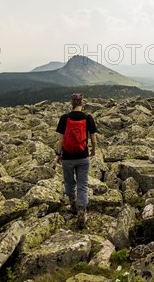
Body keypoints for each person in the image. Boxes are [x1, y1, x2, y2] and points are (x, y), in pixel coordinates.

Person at [55, 93, 97, 228]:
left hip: (67, 158)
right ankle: (81, 212)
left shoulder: (65, 118)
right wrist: (93, 150)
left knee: (69, 183)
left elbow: (61, 140)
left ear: (72, 103)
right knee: (83, 185)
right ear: (82, 103)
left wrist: (58, 154)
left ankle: (73, 205)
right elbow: (94, 139)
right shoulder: (88, 118)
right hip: (83, 157)